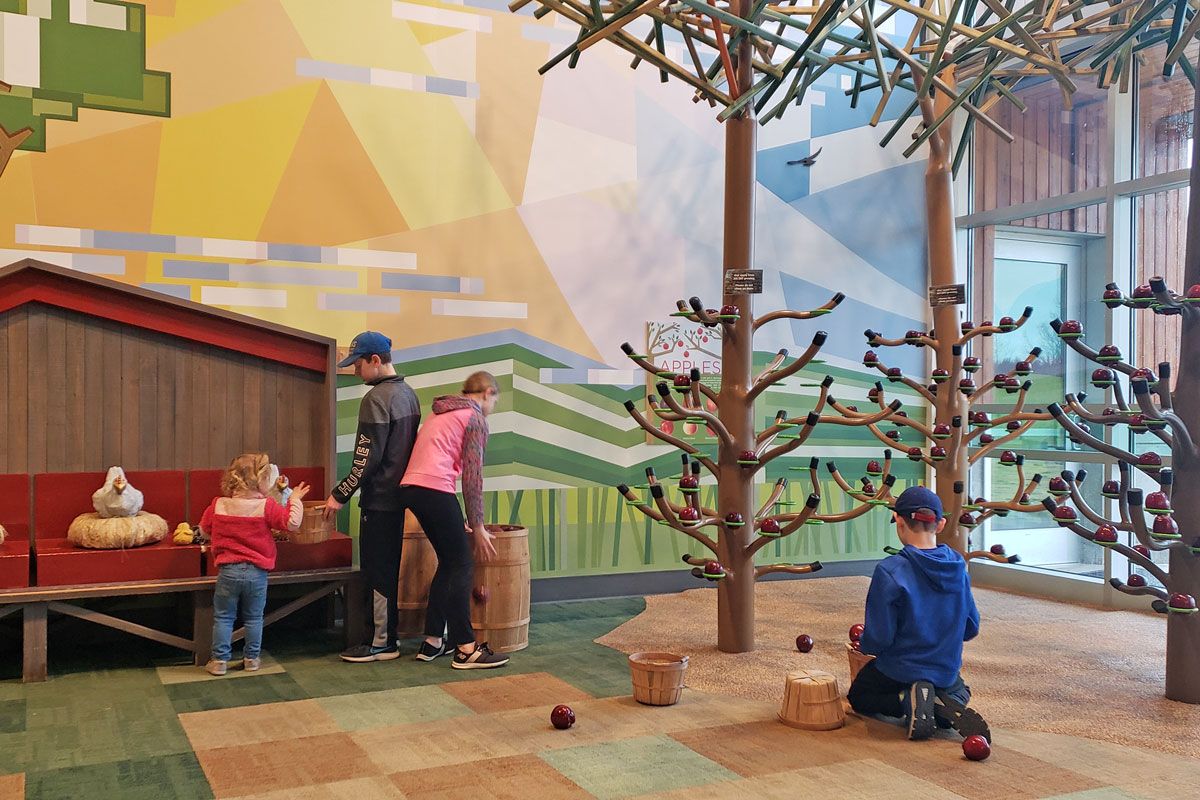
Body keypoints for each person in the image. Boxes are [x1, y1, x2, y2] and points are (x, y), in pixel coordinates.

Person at [846, 485, 991, 742]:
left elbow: (880, 638)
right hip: (943, 670)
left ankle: (906, 700)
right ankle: (940, 709)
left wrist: (865, 645)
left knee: (859, 696)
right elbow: (971, 627)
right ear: (941, 524)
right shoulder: (959, 568)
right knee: (960, 690)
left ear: (899, 521)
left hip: (898, 669)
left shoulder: (890, 571)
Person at [324, 331, 421, 663]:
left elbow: (366, 459)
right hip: (400, 498)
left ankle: (381, 641)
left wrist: (340, 494)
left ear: (375, 361)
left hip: (379, 501)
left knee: (377, 571)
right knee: (387, 569)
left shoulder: (376, 399)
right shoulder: (409, 394)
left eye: (358, 365)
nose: (355, 372)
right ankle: (385, 636)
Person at [400, 371, 508, 669]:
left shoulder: (444, 412)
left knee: (449, 562)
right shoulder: (475, 418)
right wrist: (478, 525)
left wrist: (460, 517)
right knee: (462, 563)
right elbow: (473, 477)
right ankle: (466, 648)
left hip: (413, 488)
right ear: (487, 393)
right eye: (495, 401)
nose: (492, 407)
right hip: (434, 488)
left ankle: (433, 640)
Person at [201, 455, 309, 676]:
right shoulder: (266, 506)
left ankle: (219, 661)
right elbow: (292, 523)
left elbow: (203, 530)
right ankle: (252, 659)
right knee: (253, 618)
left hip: (227, 572)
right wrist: (295, 498)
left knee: (223, 616)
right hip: (257, 573)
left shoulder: (218, 504)